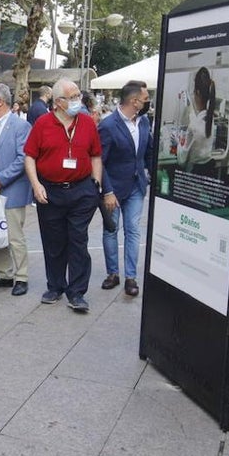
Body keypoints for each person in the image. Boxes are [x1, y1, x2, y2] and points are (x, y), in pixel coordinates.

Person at [23, 79, 103, 313]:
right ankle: (55, 286)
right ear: (58, 102)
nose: (78, 100)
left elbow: (96, 155)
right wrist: (36, 185)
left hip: (81, 190)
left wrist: (96, 183)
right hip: (50, 191)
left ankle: (77, 292)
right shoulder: (43, 123)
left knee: (78, 241)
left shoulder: (87, 123)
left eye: (78, 95)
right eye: (73, 97)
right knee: (53, 242)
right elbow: (30, 156)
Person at [98, 82, 152, 297]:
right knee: (111, 230)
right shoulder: (108, 125)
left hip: (137, 186)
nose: (148, 102)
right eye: (145, 99)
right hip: (114, 188)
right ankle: (113, 273)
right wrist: (108, 192)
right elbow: (99, 162)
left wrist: (152, 176)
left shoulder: (144, 121)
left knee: (133, 230)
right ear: (134, 101)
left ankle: (131, 277)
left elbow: (148, 151)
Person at [0, 83, 33, 297]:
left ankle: (22, 277)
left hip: (12, 189)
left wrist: (1, 179)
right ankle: (4, 274)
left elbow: (23, 158)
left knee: (14, 236)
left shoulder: (20, 126)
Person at [177, 67, 215, 170]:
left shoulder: (193, 127)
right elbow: (196, 119)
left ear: (197, 92)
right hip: (208, 169)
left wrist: (178, 143)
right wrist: (189, 106)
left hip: (194, 171)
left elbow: (181, 160)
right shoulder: (210, 119)